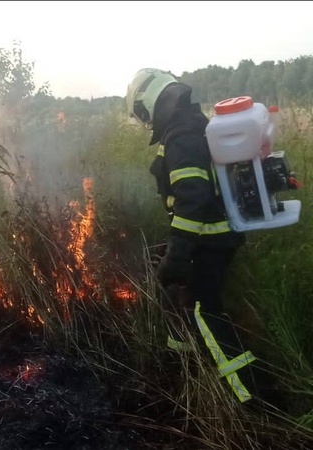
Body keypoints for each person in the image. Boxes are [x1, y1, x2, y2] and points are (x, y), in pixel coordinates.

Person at [126, 68, 257, 403]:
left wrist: (178, 255)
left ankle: (252, 399)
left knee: (204, 309)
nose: (145, 120)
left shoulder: (182, 136)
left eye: (143, 113)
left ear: (153, 101)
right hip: (210, 238)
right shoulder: (190, 125)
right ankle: (181, 372)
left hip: (208, 241)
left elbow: (192, 199)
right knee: (181, 303)